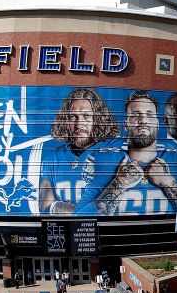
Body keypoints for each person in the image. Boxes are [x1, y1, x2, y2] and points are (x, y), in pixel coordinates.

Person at [74, 91, 177, 216]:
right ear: (126, 124)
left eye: (149, 115)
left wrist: (169, 182)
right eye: (135, 115)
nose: (143, 120)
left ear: (157, 123)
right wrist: (118, 183)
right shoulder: (102, 159)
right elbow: (80, 216)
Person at [31, 88, 122, 216]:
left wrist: (60, 208)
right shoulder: (53, 158)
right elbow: (45, 207)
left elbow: (109, 210)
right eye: (73, 116)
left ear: (98, 119)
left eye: (86, 116)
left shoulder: (111, 151)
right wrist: (88, 211)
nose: (79, 124)